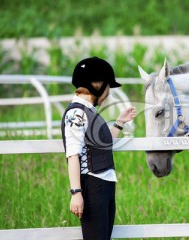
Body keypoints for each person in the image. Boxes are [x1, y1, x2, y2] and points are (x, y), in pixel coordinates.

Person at [61, 56, 136, 240]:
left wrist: (119, 122)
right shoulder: (76, 113)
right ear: (97, 84)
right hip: (93, 186)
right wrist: (76, 192)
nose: (108, 92)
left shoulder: (89, 111)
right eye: (108, 86)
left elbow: (103, 142)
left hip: (105, 184)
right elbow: (73, 155)